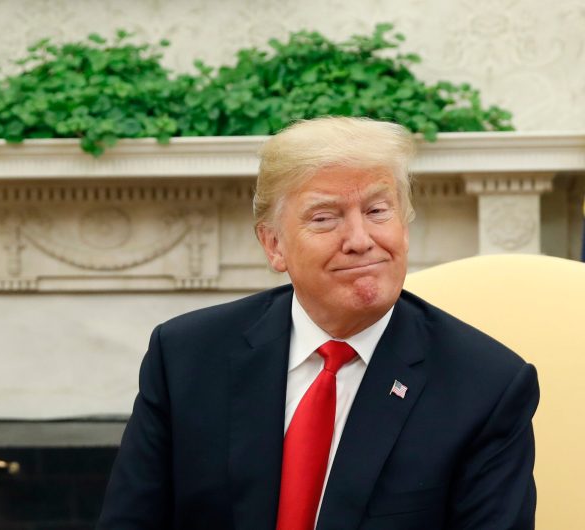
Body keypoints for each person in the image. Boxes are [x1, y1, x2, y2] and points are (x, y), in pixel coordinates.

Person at [97, 117, 539, 530]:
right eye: (325, 218)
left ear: (404, 228)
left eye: (378, 211)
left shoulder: (487, 387)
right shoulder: (186, 356)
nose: (360, 241)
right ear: (274, 245)